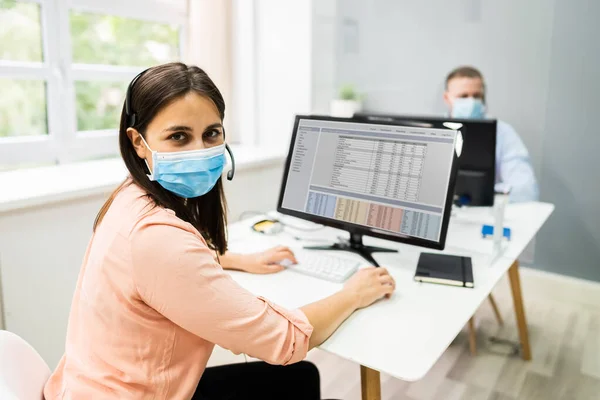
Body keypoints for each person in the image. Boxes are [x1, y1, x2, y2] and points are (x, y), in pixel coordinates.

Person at [43, 62, 396, 400]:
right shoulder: (159, 239)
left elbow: (157, 269)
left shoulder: (130, 197)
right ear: (138, 142)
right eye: (179, 137)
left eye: (211, 134)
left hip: (86, 387)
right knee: (298, 373)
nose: (200, 151)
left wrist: (239, 260)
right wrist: (354, 293)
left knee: (299, 379)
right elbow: (286, 341)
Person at [443, 66, 539, 202]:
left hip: (487, 213)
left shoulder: (503, 132)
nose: (471, 102)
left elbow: (526, 189)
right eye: (463, 96)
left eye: (477, 96)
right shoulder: (435, 132)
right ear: (447, 98)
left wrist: (484, 195)